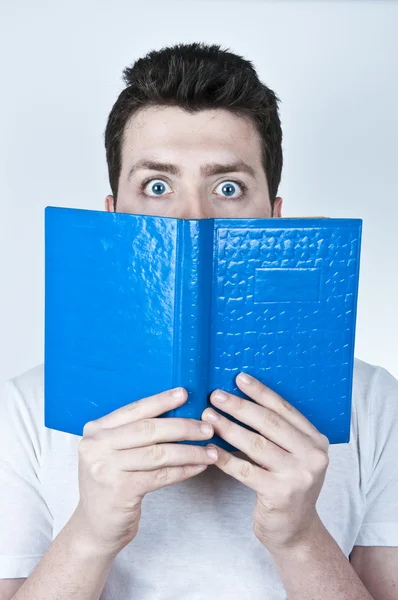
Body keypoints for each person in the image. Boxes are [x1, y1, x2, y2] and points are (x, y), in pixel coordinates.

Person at [0, 42, 397, 600]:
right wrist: (90, 534)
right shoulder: (23, 411)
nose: (193, 218)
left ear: (273, 217)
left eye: (228, 187)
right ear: (113, 215)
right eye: (157, 187)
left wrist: (301, 537)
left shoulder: (375, 403)